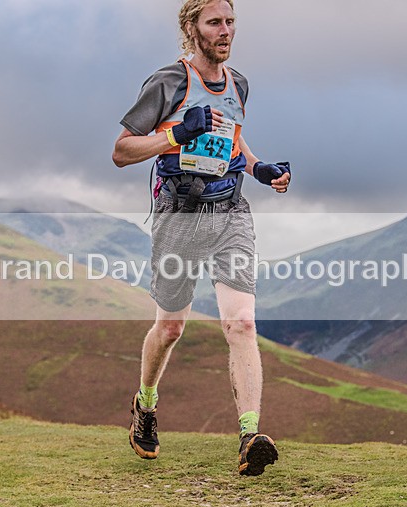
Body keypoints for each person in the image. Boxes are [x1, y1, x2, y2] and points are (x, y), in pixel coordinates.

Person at [112, 0, 291, 476]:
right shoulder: (168, 82)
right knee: (171, 327)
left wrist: (257, 167)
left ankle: (250, 434)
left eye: (231, 22)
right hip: (179, 213)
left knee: (242, 324)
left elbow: (232, 134)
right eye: (215, 22)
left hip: (231, 208)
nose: (226, 31)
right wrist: (175, 137)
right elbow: (122, 151)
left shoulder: (240, 83)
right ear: (192, 29)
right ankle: (145, 406)